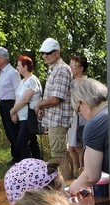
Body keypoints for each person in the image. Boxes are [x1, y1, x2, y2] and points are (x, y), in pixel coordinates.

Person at [36, 38, 74, 181]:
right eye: (43, 53)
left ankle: (68, 186)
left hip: (58, 121)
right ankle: (69, 183)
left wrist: (40, 104)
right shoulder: (54, 69)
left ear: (57, 52)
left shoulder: (61, 69)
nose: (45, 56)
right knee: (62, 154)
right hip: (53, 119)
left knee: (60, 156)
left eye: (49, 53)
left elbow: (56, 98)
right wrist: (44, 107)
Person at [0, 46, 21, 166]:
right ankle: (15, 156)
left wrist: (14, 111)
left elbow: (18, 92)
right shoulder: (3, 72)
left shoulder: (12, 73)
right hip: (3, 104)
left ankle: (19, 158)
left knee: (14, 131)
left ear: (2, 59)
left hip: (10, 104)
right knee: (9, 132)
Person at [9, 55, 43, 161]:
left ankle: (27, 166)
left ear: (25, 67)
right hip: (23, 117)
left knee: (22, 142)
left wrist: (12, 111)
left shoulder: (32, 81)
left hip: (30, 116)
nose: (17, 67)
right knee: (32, 142)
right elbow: (18, 98)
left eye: (19, 65)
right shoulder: (23, 81)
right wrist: (14, 113)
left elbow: (25, 100)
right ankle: (37, 163)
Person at [68, 54, 89, 177]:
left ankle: (83, 170)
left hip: (82, 117)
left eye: (74, 65)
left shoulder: (85, 83)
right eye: (70, 65)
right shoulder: (71, 82)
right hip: (72, 117)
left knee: (79, 146)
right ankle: (76, 171)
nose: (71, 67)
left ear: (81, 68)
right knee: (71, 147)